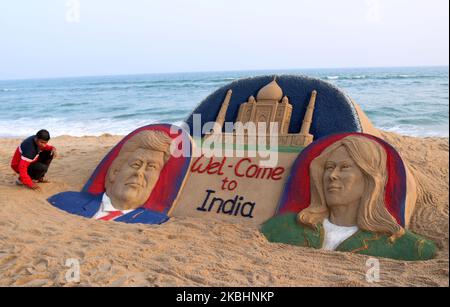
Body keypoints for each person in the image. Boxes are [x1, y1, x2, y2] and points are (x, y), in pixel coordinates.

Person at [262, 134, 437, 261]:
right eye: (329, 167)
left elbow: (428, 253)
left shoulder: (410, 247)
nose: (332, 175)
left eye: (344, 167)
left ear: (369, 178)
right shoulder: (282, 227)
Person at [49, 130, 173, 223]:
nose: (139, 172)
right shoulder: (65, 200)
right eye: (136, 164)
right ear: (115, 171)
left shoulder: (156, 221)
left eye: (151, 167)